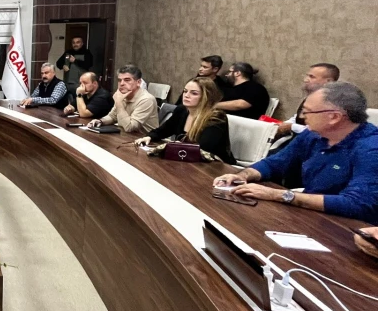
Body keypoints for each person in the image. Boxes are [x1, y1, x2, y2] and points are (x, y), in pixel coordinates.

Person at [214, 82, 378, 224]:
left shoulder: (370, 147)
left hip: (349, 228)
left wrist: (279, 195)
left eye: (307, 112)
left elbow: (358, 204)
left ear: (334, 117)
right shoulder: (313, 134)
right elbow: (276, 162)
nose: (302, 117)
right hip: (312, 215)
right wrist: (243, 175)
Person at [135, 78, 235, 164]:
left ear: (206, 97)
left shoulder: (216, 117)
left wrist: (173, 145)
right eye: (185, 91)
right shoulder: (181, 110)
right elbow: (164, 130)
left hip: (215, 165)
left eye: (194, 93)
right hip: (186, 160)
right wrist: (149, 137)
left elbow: (203, 148)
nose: (186, 95)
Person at [274, 63, 340, 141]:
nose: (305, 80)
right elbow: (298, 118)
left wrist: (291, 127)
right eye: (307, 76)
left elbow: (319, 132)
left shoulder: (332, 103)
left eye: (312, 77)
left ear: (328, 82)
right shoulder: (311, 97)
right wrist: (281, 125)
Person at [88, 65, 160, 134]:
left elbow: (130, 127)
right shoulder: (123, 95)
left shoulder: (146, 99)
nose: (121, 84)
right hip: (127, 136)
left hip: (145, 139)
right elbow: (112, 116)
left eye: (127, 80)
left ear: (138, 82)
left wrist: (119, 102)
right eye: (119, 80)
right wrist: (100, 121)